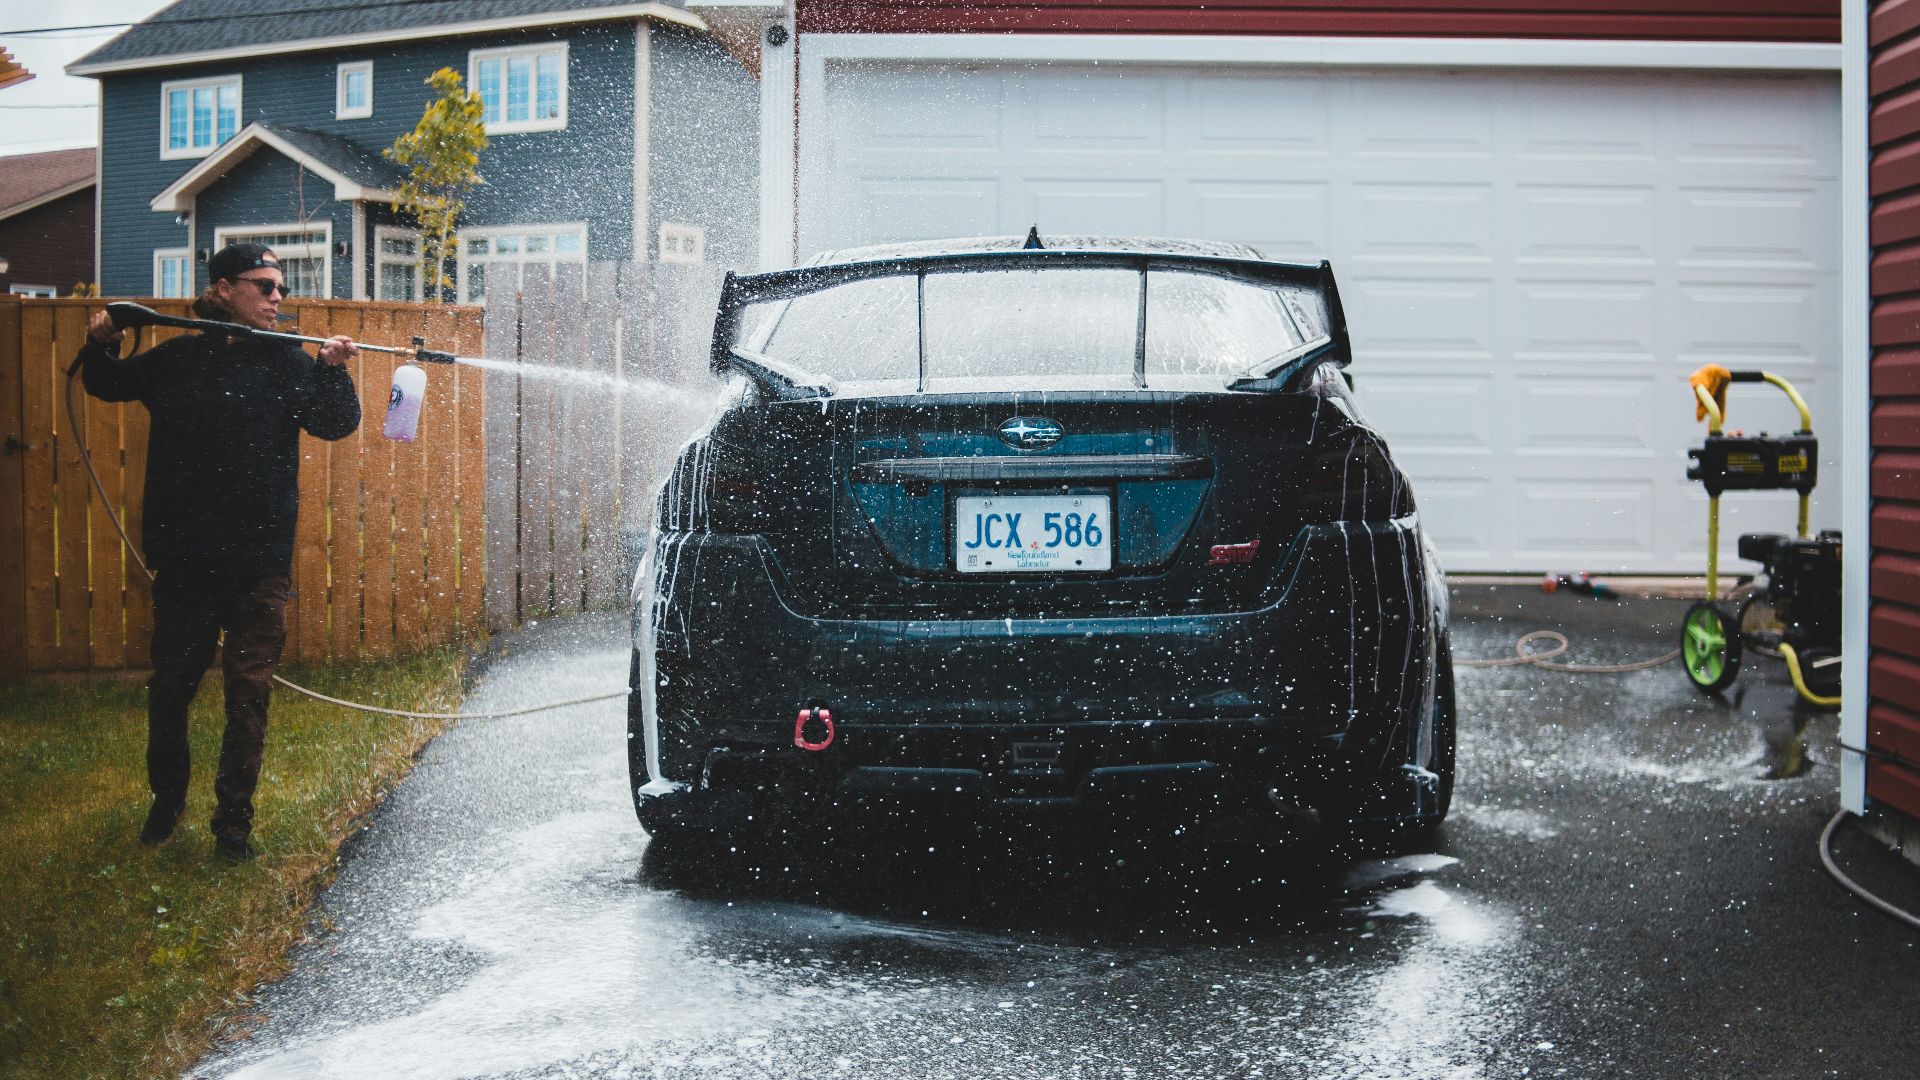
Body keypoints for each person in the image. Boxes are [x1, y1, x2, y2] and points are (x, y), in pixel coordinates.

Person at [78, 243, 361, 861]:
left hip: (260, 559)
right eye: (263, 286)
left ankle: (234, 823)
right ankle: (166, 800)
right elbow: (105, 384)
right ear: (225, 289)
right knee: (172, 687)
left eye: (280, 288)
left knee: (249, 692)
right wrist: (102, 340)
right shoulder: (178, 358)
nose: (276, 297)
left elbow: (336, 424)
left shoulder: (288, 360)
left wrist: (334, 369)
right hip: (185, 559)